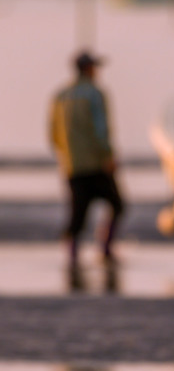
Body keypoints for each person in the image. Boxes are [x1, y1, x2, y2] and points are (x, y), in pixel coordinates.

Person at [49, 51, 125, 267]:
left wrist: (67, 155)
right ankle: (106, 247)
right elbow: (101, 130)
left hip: (72, 164)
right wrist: (107, 155)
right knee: (116, 204)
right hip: (95, 163)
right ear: (88, 69)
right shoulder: (94, 94)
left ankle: (73, 254)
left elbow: (53, 134)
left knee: (78, 211)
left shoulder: (61, 95)